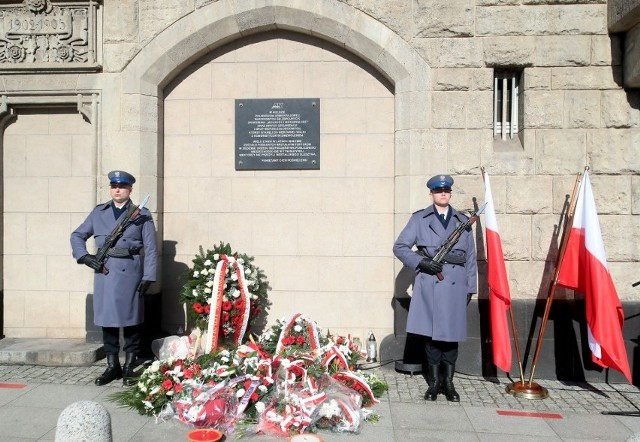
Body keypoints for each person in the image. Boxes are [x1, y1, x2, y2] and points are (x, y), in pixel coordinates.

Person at [392, 174, 477, 402]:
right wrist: (421, 262)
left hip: (456, 285)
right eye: (438, 191)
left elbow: (470, 257)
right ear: (431, 194)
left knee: (451, 336)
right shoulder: (420, 219)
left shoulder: (462, 221)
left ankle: (449, 384)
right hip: (430, 281)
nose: (443, 194)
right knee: (431, 336)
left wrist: (470, 287)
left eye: (446, 191)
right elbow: (400, 247)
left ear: (450, 193)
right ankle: (434, 383)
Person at [71, 171, 157, 386]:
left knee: (131, 322)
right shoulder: (98, 212)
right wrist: (84, 256)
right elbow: (77, 235)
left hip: (131, 272)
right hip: (105, 272)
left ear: (130, 190)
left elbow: (152, 249)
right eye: (114, 186)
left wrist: (149, 275)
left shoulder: (142, 214)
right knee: (107, 321)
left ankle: (129, 366)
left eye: (122, 186)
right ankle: (112, 366)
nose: (117, 190)